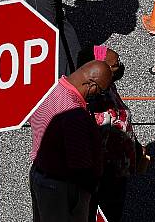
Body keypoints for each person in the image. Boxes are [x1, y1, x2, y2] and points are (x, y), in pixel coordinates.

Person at [29, 60, 113, 222]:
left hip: (40, 173)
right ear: (91, 85)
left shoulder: (49, 88)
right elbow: (80, 164)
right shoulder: (74, 113)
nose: (99, 95)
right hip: (61, 187)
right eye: (101, 91)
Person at [78, 46, 143, 222]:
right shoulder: (91, 107)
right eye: (115, 66)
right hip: (104, 175)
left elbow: (121, 117)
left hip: (118, 169)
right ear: (98, 71)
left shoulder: (108, 86)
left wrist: (134, 146)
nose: (120, 67)